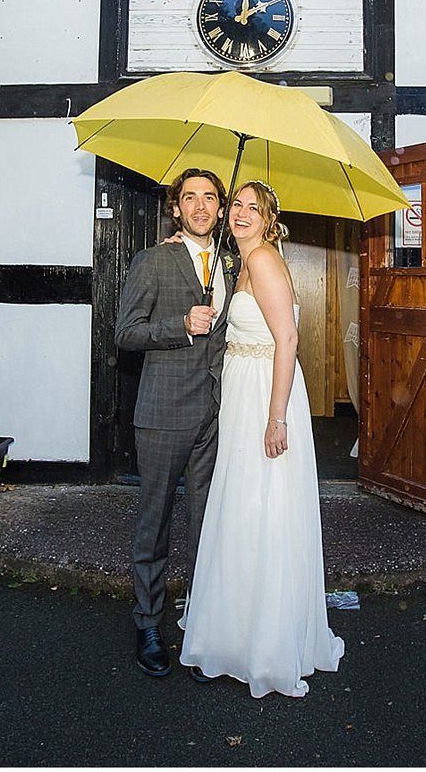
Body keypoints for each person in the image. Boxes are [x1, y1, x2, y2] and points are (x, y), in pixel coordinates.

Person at [179, 180, 344, 697]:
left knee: (260, 506)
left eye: (255, 208)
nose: (242, 214)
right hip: (243, 393)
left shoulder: (265, 259)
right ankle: (236, 627)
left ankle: (265, 642)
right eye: (238, 206)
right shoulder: (241, 259)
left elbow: (288, 339)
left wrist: (276, 417)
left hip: (264, 398)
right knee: (240, 506)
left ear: (270, 219)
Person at [114, 167, 231, 677]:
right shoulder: (152, 260)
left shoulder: (231, 260)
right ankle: (147, 623)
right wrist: (179, 326)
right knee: (155, 524)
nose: (200, 206)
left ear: (221, 209)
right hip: (162, 414)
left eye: (210, 197)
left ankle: (202, 616)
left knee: (208, 521)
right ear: (176, 208)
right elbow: (126, 332)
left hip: (215, 414)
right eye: (190, 197)